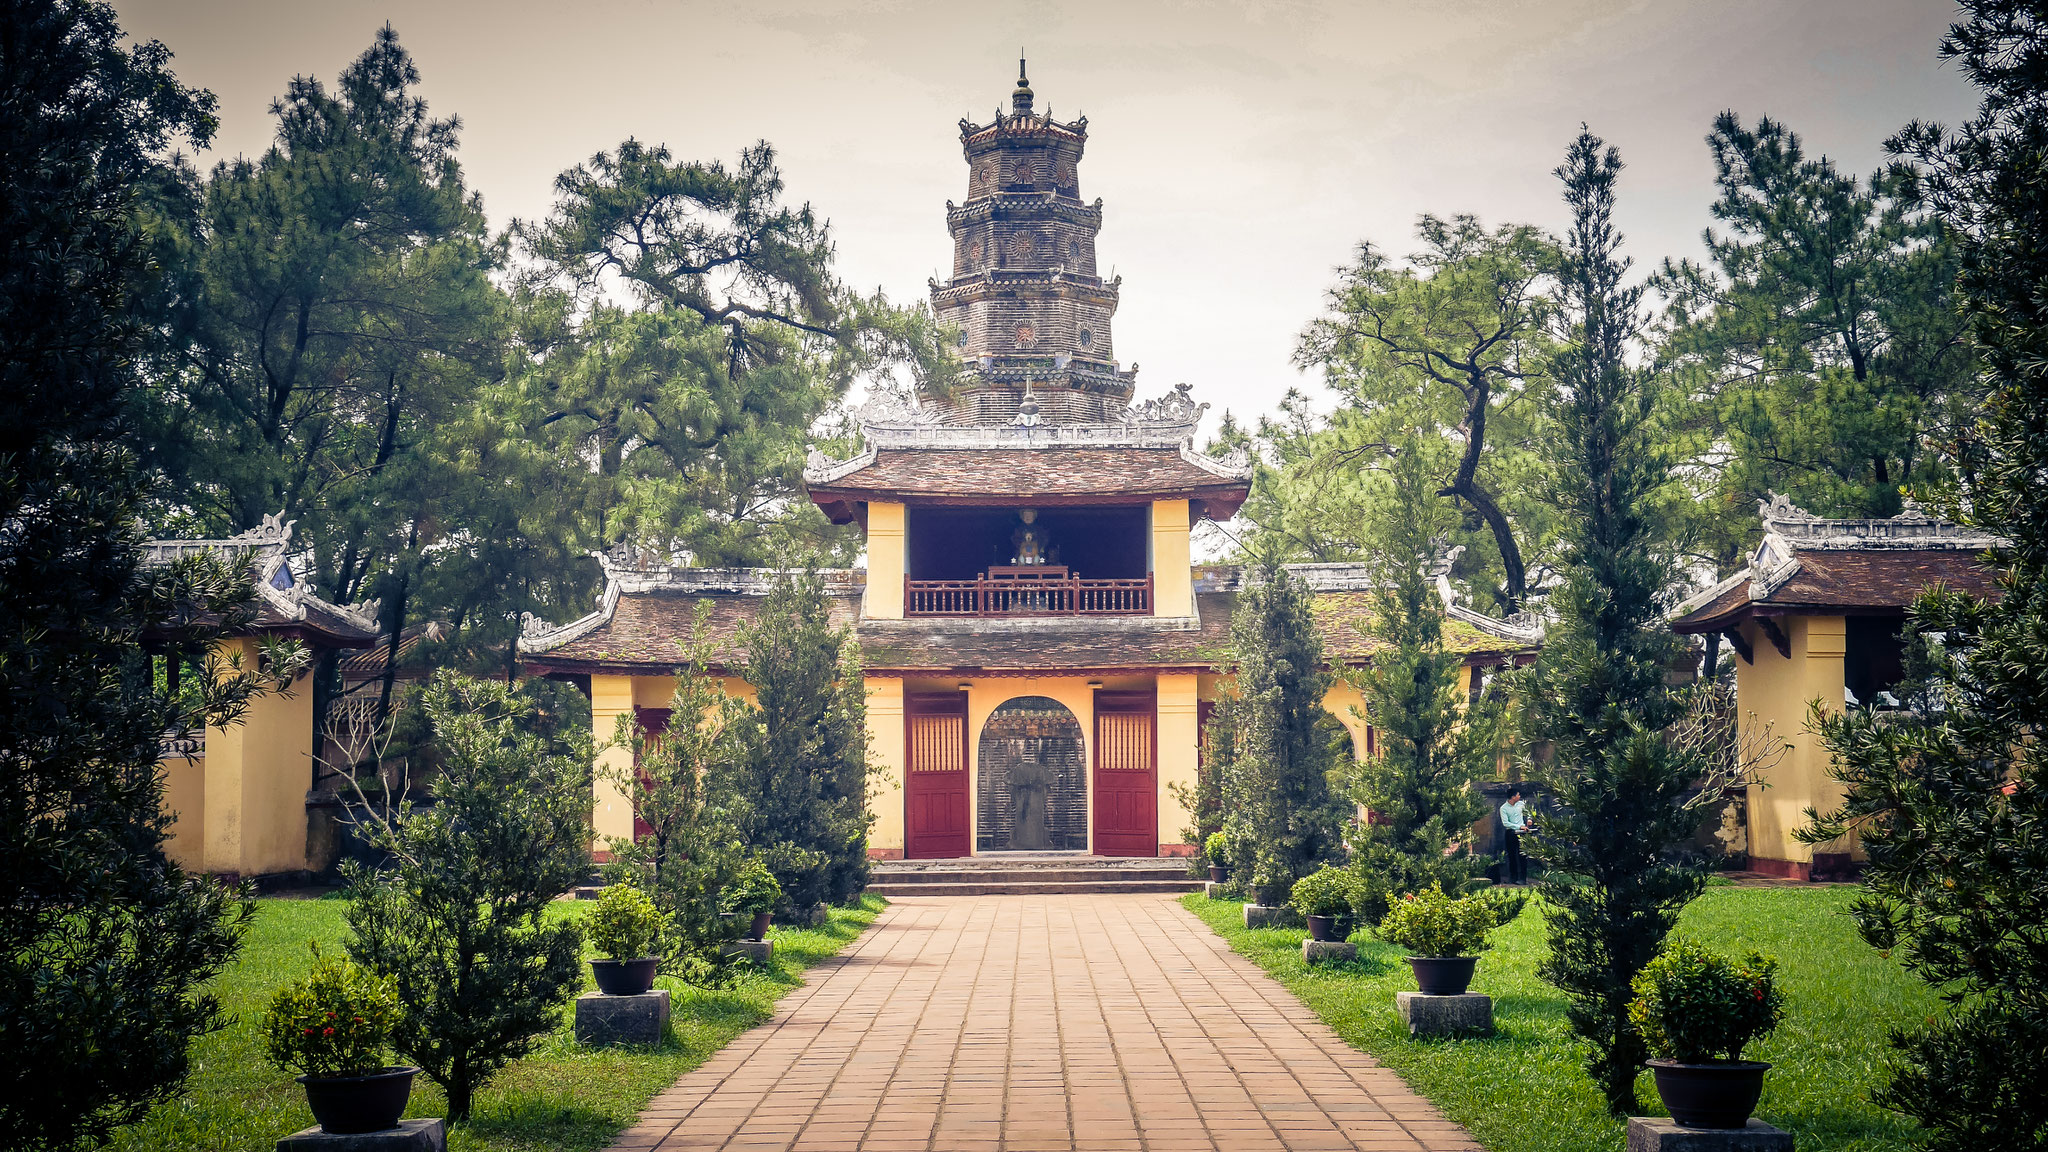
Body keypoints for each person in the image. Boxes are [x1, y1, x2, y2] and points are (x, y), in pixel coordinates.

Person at [1499, 789, 1530, 885]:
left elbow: (1527, 812)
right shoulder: (1503, 808)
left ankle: (1522, 878)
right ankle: (1513, 877)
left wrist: (1529, 819)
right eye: (1518, 795)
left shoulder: (1521, 804)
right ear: (1513, 797)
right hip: (1511, 833)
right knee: (1512, 856)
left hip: (1522, 832)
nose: (1519, 796)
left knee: (1523, 856)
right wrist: (1519, 826)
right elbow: (1506, 823)